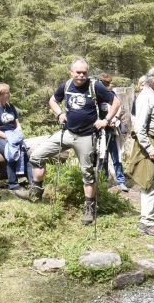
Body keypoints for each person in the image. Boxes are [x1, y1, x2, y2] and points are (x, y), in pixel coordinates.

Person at [28, 58, 121, 224]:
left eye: (84, 72)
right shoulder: (66, 85)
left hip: (86, 136)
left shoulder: (95, 86)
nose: (81, 75)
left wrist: (106, 120)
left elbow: (116, 101)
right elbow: (53, 100)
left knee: (87, 173)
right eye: (78, 72)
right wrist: (59, 114)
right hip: (67, 132)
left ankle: (89, 208)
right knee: (36, 156)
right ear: (71, 72)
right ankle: (35, 192)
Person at [133, 67, 154, 236]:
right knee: (148, 183)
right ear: (153, 79)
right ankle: (146, 222)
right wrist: (149, 148)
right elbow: (139, 127)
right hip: (150, 143)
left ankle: (149, 216)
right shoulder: (145, 97)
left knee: (152, 182)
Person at [0, 83, 33, 199]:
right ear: (0, 94)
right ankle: (13, 184)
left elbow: (17, 124)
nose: (9, 94)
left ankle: (33, 183)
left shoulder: (10, 106)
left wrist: (18, 136)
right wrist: (10, 138)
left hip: (13, 135)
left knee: (25, 153)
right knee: (11, 152)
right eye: (7, 92)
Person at [97, 73, 129, 192]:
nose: (108, 86)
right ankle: (104, 180)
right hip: (100, 132)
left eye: (108, 84)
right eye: (105, 84)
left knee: (116, 157)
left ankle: (121, 181)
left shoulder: (112, 95)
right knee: (102, 157)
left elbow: (119, 109)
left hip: (112, 131)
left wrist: (113, 119)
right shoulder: (97, 96)